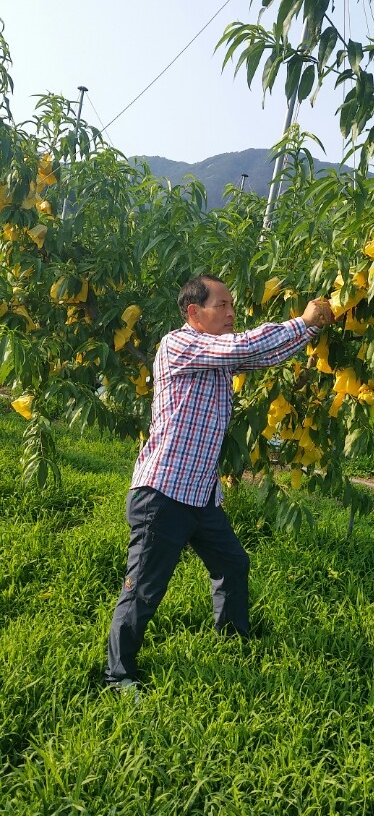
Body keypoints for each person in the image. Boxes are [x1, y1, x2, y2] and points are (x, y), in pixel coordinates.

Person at [103, 273, 333, 693]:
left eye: (232, 306)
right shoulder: (180, 344)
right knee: (144, 590)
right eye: (222, 306)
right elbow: (245, 346)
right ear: (193, 312)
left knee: (232, 564)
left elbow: (262, 355)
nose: (231, 313)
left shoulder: (215, 357)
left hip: (200, 495)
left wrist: (313, 326)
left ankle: (233, 640)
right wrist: (302, 320)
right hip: (164, 494)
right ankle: (117, 677)